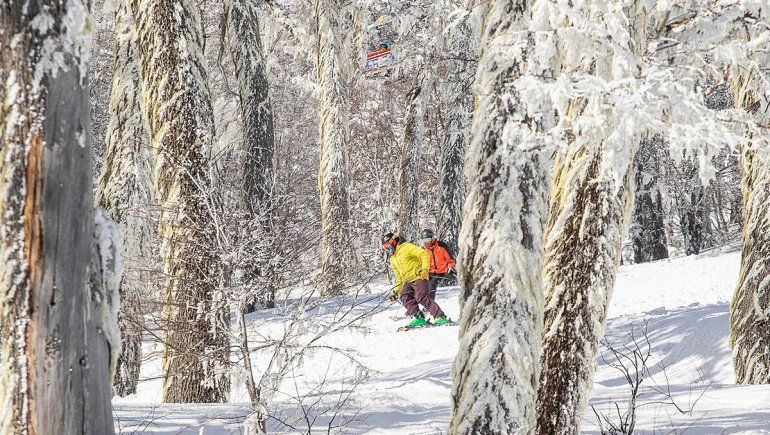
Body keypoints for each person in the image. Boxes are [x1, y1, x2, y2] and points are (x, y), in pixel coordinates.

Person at [381, 232, 449, 328]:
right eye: (385, 247)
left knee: (421, 297)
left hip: (419, 276)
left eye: (387, 245)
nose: (387, 248)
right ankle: (418, 317)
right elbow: (399, 277)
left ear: (393, 241)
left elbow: (423, 254)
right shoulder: (393, 258)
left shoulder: (406, 247)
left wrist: (425, 269)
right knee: (404, 296)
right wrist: (395, 291)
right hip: (407, 280)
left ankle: (440, 316)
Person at [419, 229, 457, 300]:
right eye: (424, 240)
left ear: (432, 238)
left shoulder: (441, 246)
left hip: (441, 272)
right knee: (421, 288)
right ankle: (414, 308)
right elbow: (421, 263)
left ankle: (430, 306)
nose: (426, 242)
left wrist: (451, 268)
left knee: (431, 285)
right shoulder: (423, 250)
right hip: (429, 272)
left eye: (428, 239)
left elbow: (450, 259)